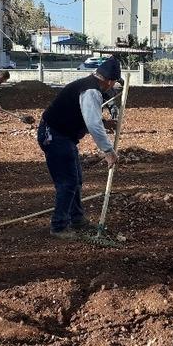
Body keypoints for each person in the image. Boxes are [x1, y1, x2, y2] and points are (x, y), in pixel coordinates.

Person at [38, 57, 121, 239]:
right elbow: (92, 123)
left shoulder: (89, 85)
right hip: (54, 135)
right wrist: (108, 151)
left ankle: (76, 218)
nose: (113, 87)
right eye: (114, 83)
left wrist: (105, 123)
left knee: (75, 180)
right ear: (109, 80)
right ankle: (59, 226)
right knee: (67, 183)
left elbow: (83, 114)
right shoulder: (91, 91)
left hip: (63, 136)